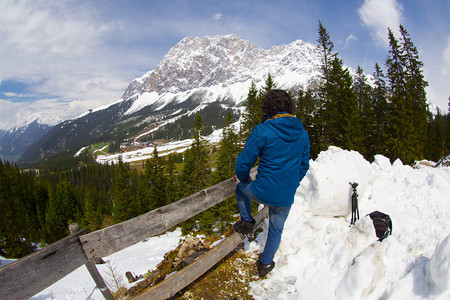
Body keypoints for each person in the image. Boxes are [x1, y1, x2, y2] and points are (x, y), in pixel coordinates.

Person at [234, 89, 310, 277]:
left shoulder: (263, 131)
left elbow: (244, 163)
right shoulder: (302, 133)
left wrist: (244, 179)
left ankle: (246, 222)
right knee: (276, 230)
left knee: (240, 189)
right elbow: (303, 165)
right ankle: (265, 264)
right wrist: (292, 183)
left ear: (268, 108)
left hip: (262, 190)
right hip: (286, 195)